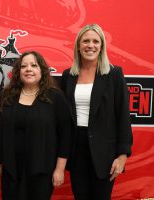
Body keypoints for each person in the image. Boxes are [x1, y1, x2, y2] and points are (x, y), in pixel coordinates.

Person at [60, 24, 133, 200]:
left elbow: (123, 116)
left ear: (101, 46)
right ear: (78, 45)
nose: (90, 45)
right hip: (77, 149)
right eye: (85, 41)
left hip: (105, 152)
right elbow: (63, 118)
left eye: (95, 41)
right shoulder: (68, 75)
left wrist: (122, 156)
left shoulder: (114, 74)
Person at [0, 51, 72, 200]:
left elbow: (65, 135)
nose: (28, 69)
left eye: (34, 65)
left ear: (41, 70)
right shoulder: (7, 95)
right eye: (24, 66)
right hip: (11, 169)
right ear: (18, 72)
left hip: (41, 170)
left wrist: (59, 169)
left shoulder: (55, 97)